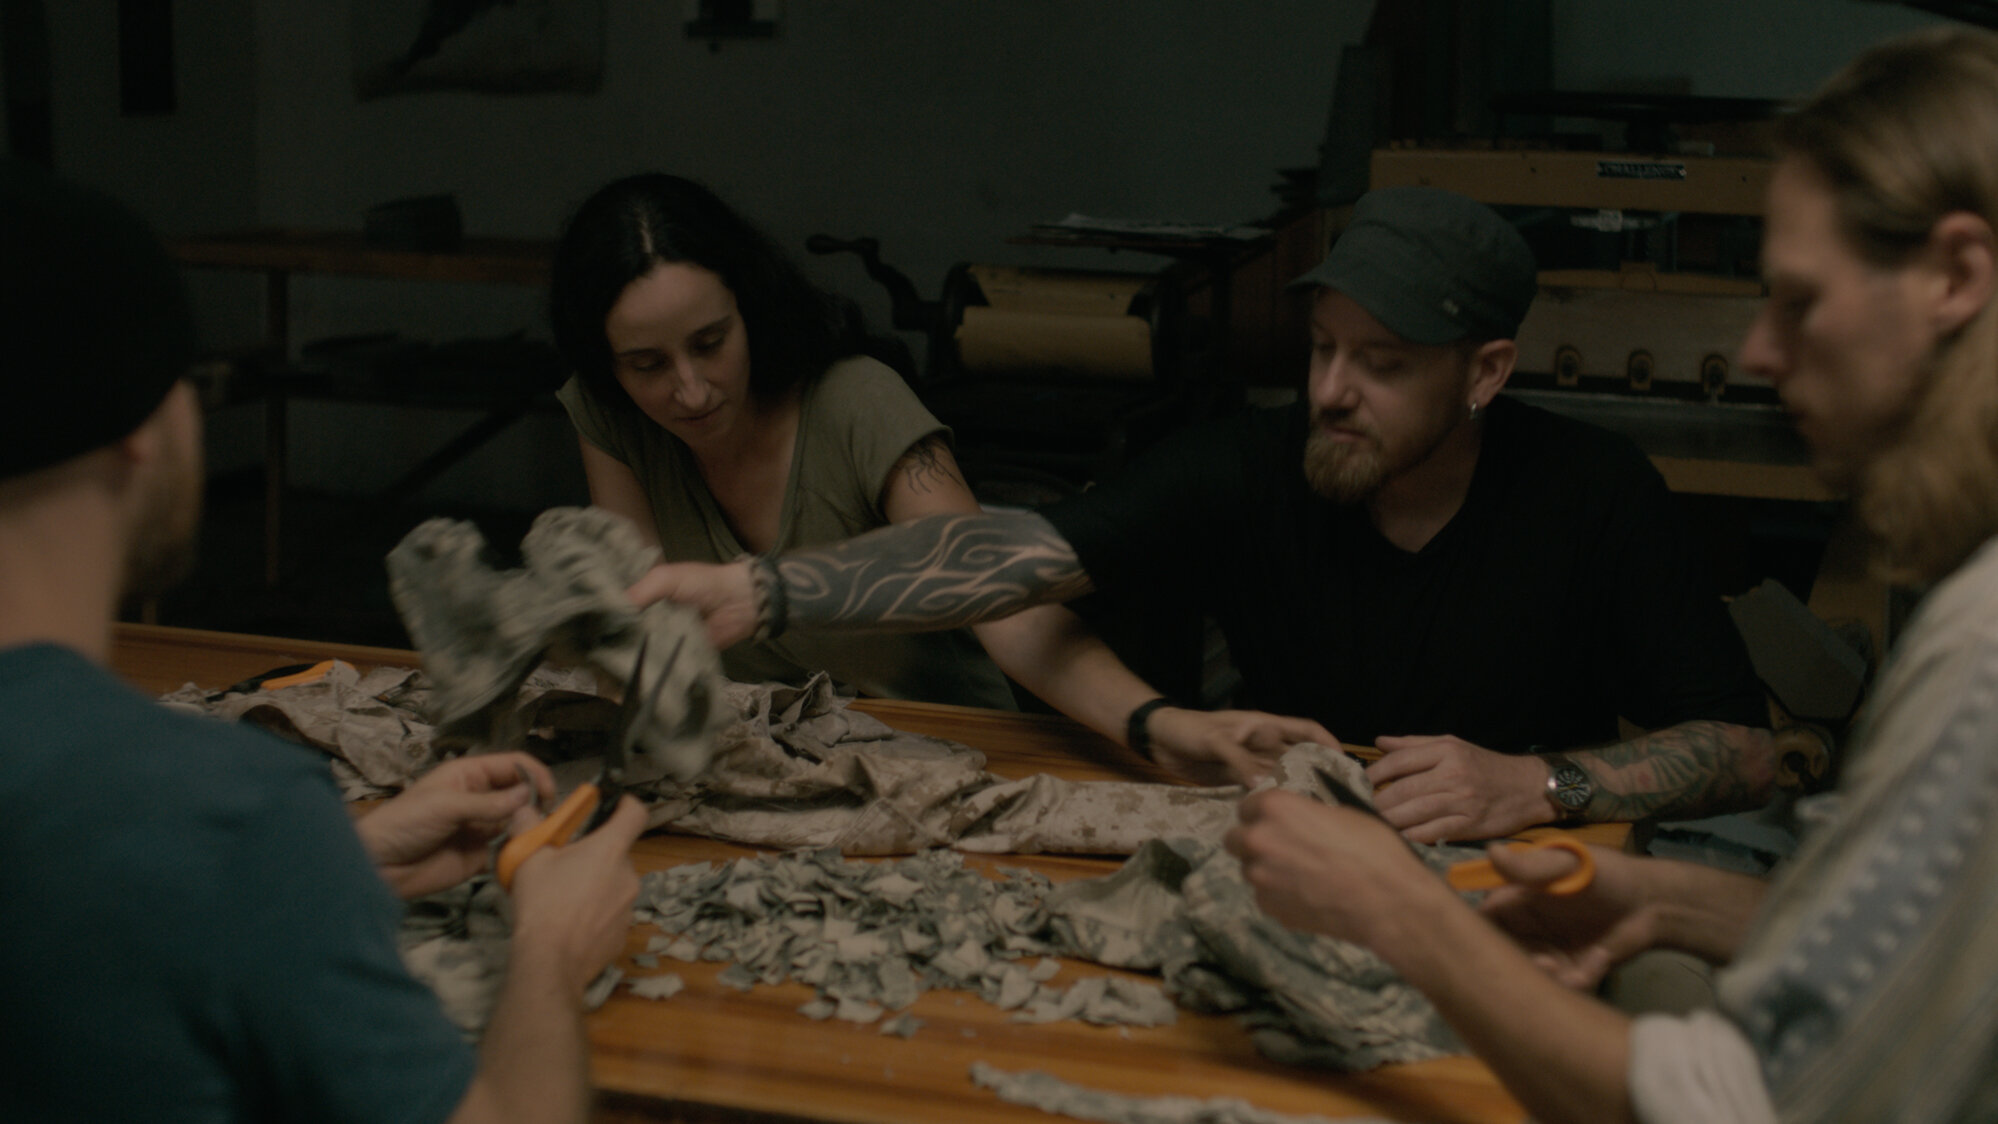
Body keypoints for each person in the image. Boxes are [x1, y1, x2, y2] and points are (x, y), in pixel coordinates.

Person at [1225, 26, 1998, 1123]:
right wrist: (1670, 894)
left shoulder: (1983, 654)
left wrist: (1405, 913)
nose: (1761, 354)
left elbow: (1740, 1104)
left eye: (1798, 300)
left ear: (1958, 277)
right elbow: (1929, 939)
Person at [631, 185, 1774, 841]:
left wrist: (1539, 783)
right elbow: (1013, 555)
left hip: (1510, 877)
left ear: (1484, 372)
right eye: (1323, 349)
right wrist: (764, 588)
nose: (1331, 390)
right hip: (1294, 856)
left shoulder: (1597, 491)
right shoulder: (1249, 462)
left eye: (1380, 363)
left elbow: (1746, 748)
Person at [0, 161, 647, 1123]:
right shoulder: (230, 817)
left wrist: (343, 858)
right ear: (143, 428)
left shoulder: (216, 837)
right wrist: (551, 945)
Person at [552, 171, 1073, 711]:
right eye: (647, 365)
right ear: (605, 363)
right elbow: (638, 629)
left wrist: (1144, 720)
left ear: (749, 307)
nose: (691, 391)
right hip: (757, 734)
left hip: (942, 735)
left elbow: (1001, 599)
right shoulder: (610, 411)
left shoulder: (858, 402)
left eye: (710, 343)